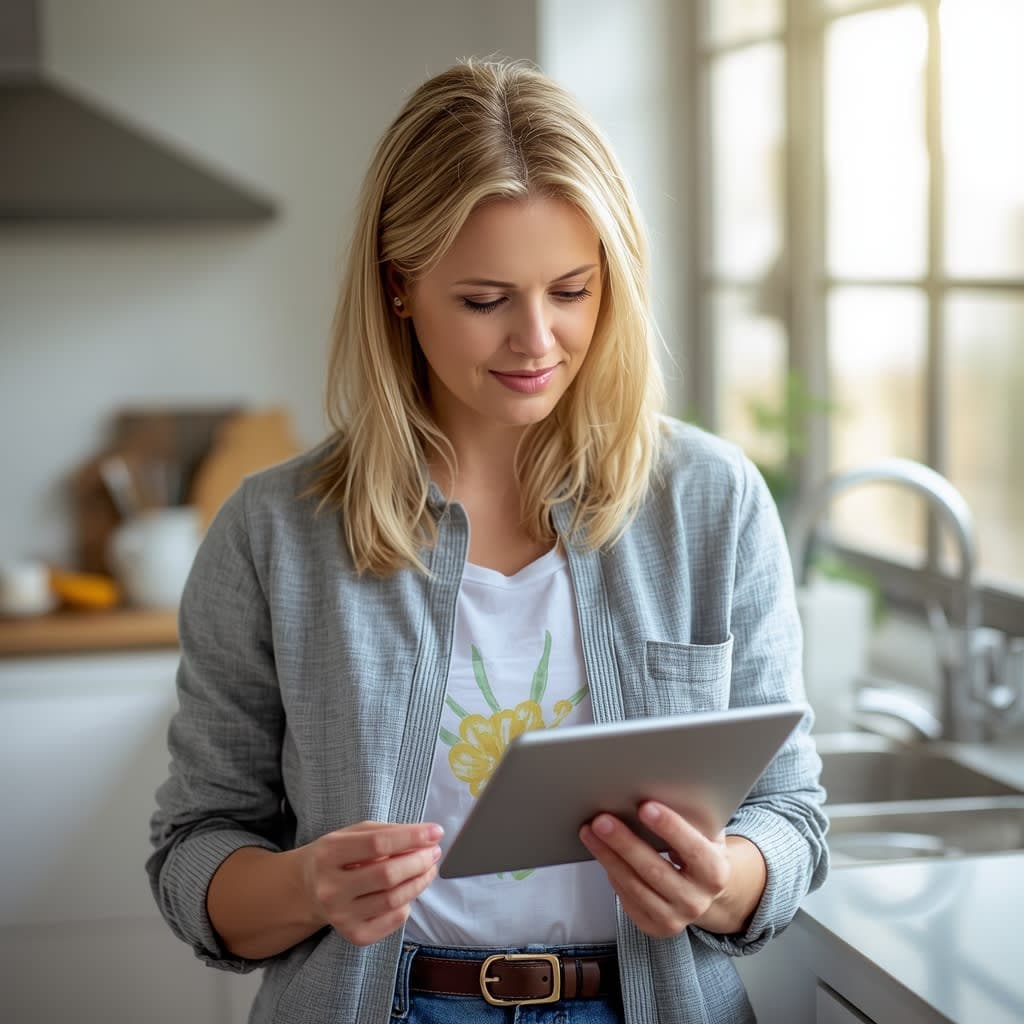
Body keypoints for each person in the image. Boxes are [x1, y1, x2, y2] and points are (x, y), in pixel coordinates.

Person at [147, 58, 828, 1024]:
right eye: (484, 300)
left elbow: (791, 814)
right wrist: (306, 888)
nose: (536, 339)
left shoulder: (710, 503)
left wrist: (724, 883)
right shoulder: (274, 531)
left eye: (572, 290)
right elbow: (195, 847)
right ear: (399, 288)